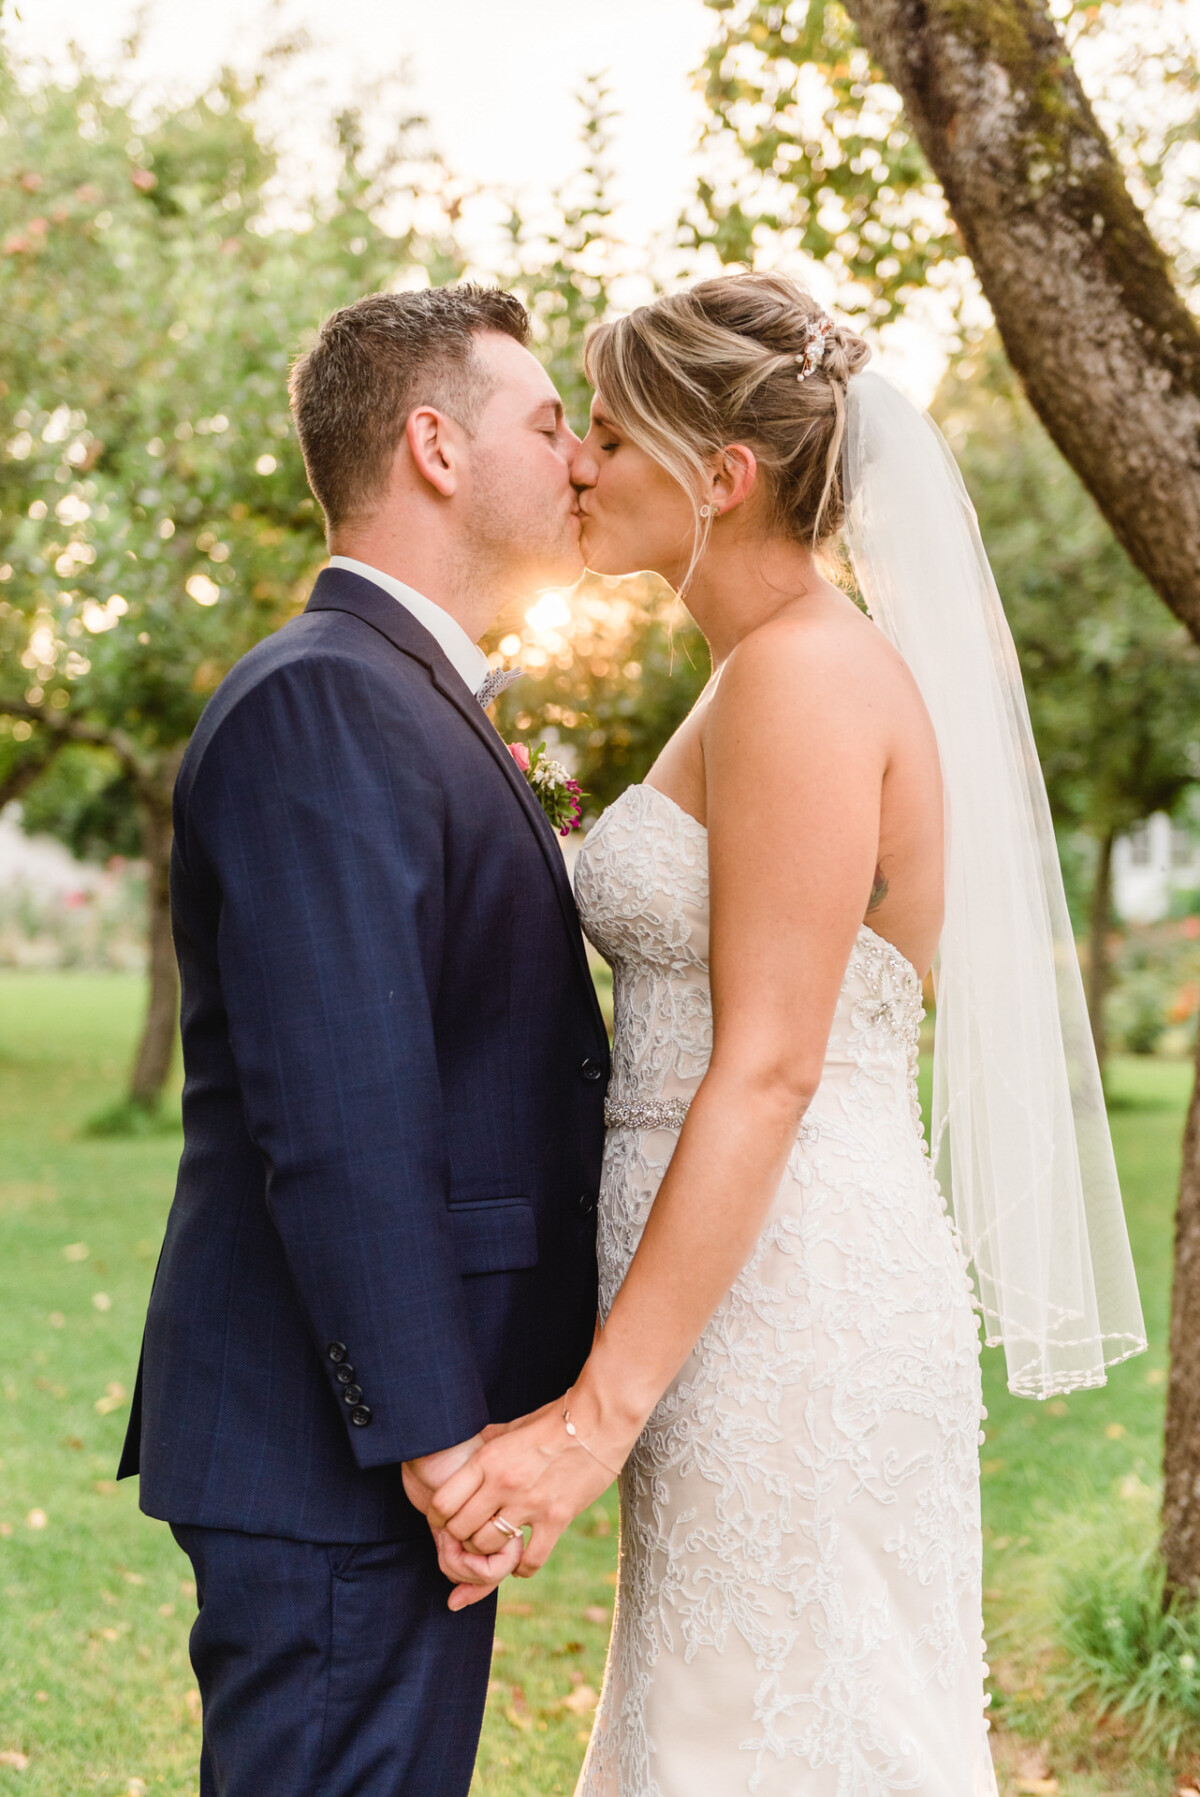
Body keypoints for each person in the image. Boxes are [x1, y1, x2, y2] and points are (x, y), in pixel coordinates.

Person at [429, 272, 1146, 1795]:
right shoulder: (759, 673)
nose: (574, 463)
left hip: (784, 1295)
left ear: (723, 479)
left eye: (609, 439)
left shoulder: (807, 679)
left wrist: (587, 1422)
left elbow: (772, 1062)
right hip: (737, 1289)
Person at [116, 284, 610, 1797]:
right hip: (346, 1452)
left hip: (384, 1446)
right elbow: (344, 1109)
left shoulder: (405, 694)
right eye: (548, 421)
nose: (582, 459)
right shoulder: (326, 701)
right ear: (435, 447)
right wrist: (439, 1440)